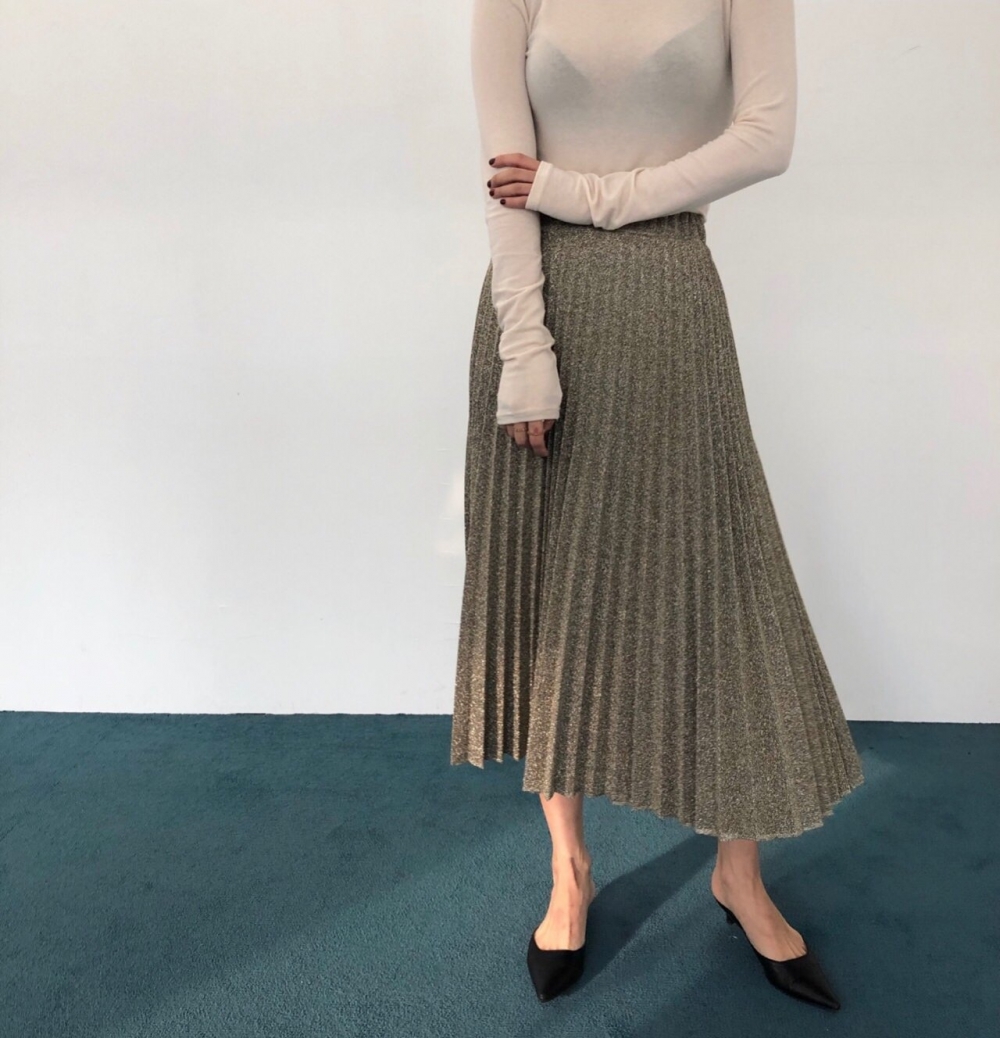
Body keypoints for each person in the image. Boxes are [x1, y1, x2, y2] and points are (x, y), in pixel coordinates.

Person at [450, 0, 865, 1010]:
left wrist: (588, 194)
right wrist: (526, 354)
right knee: (547, 596)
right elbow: (507, 181)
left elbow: (765, 137)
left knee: (718, 590)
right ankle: (570, 868)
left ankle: (738, 873)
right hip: (536, 314)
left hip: (672, 298)